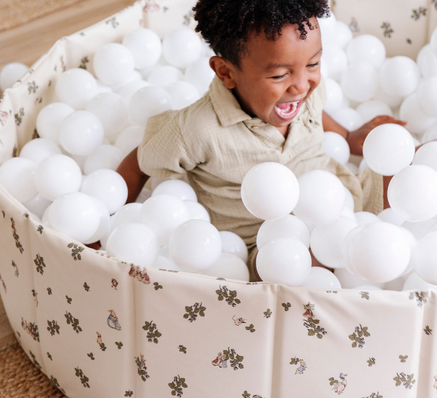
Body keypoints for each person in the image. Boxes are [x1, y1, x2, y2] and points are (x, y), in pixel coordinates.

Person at [116, 0, 405, 279]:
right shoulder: (197, 129)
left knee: (413, 161)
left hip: (346, 201)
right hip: (267, 245)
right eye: (280, 75)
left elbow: (314, 110)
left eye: (313, 63)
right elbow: (139, 164)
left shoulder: (305, 89)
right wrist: (111, 223)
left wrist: (347, 136)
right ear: (226, 72)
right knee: (315, 259)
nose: (301, 86)